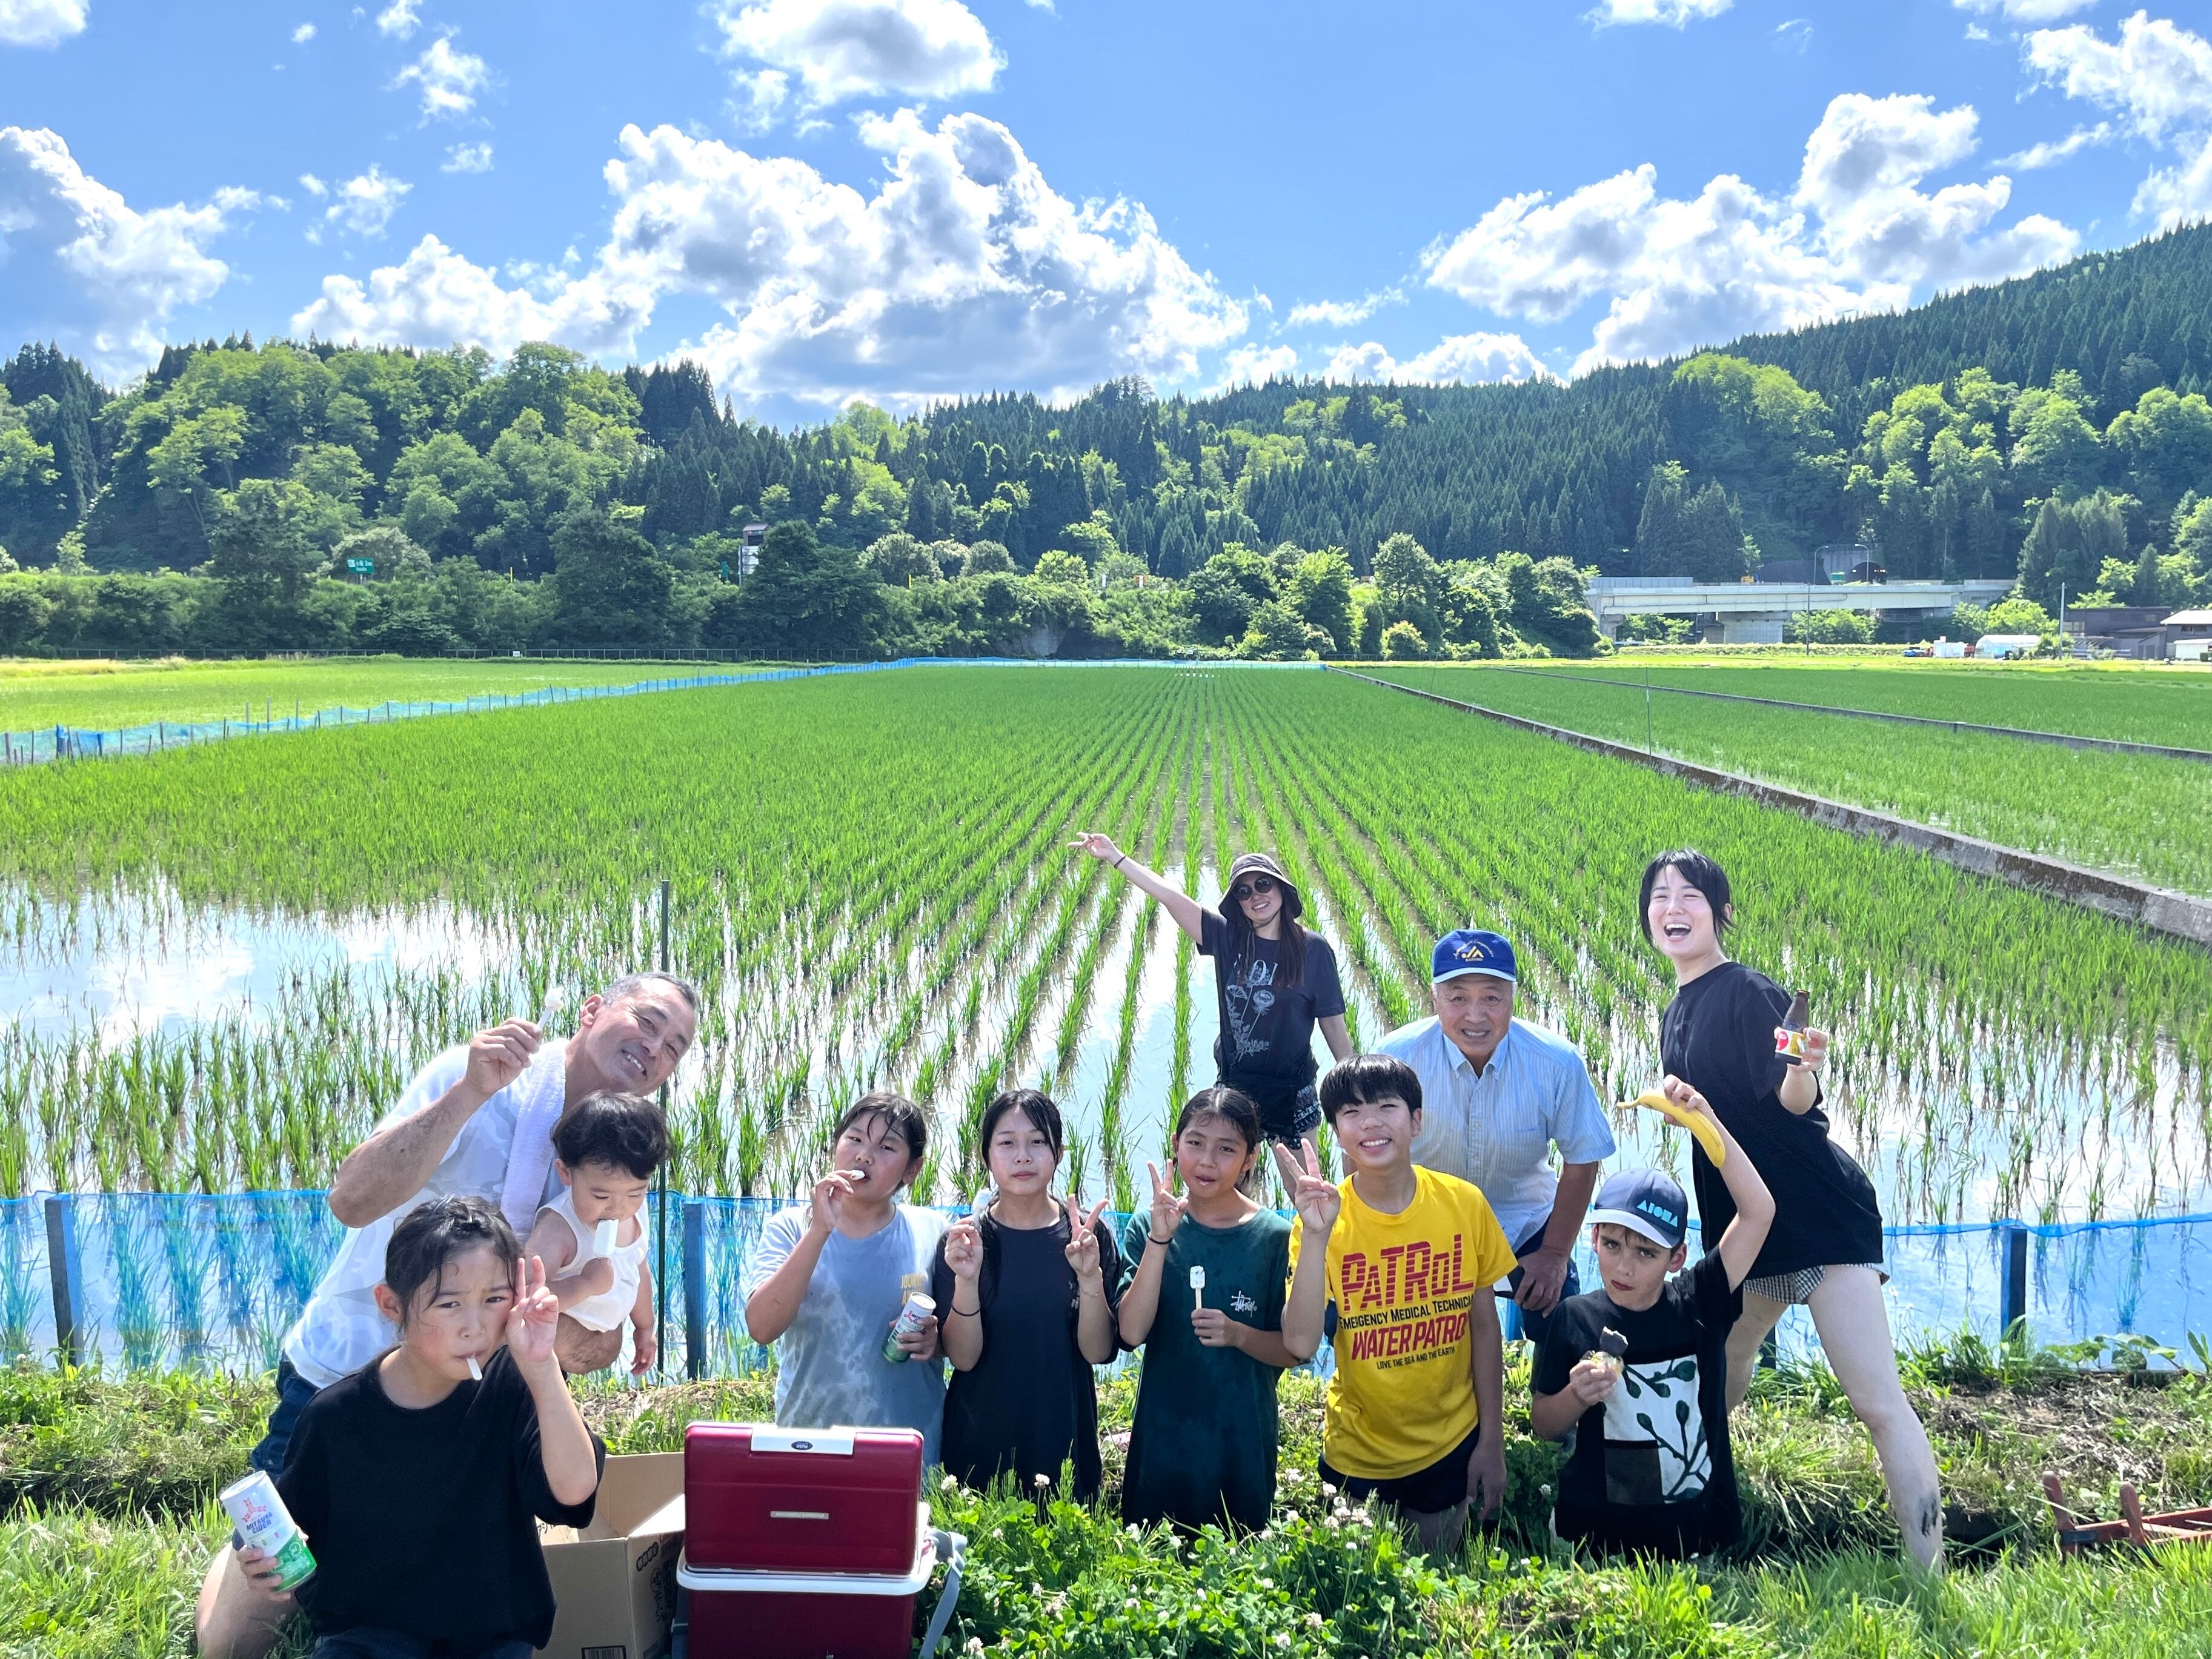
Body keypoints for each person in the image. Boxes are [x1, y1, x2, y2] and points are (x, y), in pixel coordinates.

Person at [198, 972, 697, 1659]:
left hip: (474, 1405)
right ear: (592, 1011)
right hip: (348, 1373)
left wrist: (548, 1335)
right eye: (647, 1021)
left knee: (442, 1594)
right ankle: (238, 1565)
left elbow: (599, 1336)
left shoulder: (614, 1163)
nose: (656, 1048)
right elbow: (350, 1200)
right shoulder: (483, 1082)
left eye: (675, 1046)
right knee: (240, 1640)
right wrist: (469, 1092)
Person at [1641, 847, 1944, 1571]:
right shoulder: (1675, 1011)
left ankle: (1929, 1571)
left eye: (1691, 894)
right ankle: (1691, 1512)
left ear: (1720, 912)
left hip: (1817, 1217)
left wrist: (1803, 1069)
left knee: (1875, 1400)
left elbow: (1794, 1101)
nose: (1674, 907)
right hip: (1749, 1224)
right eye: (1660, 895)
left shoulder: (1747, 991)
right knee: (1721, 1365)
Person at [231, 1195, 604, 1658]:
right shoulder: (335, 1417)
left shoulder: (516, 1385)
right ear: (392, 1304)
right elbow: (291, 1539)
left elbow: (574, 1494)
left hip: (489, 1635)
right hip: (368, 1634)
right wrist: (264, 1565)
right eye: (449, 1304)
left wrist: (543, 1366)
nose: (475, 1327)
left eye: (494, 1300)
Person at [1280, 1054, 1520, 1557]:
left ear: (1416, 1121)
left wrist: (1491, 1441)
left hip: (1450, 1441)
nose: (1369, 1122)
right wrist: (1317, 1234)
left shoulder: (1464, 1204)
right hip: (1358, 1450)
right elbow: (1300, 1344)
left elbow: (1483, 1326)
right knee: (1361, 1588)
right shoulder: (1321, 1220)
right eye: (1351, 1113)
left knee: (1437, 1575)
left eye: (1386, 1107)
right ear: (1336, 1134)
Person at [1529, 1084, 1774, 1558]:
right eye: (1612, 1245)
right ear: (1594, 1239)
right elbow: (1544, 1424)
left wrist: (1706, 1122)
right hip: (1595, 1538)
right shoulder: (1574, 1317)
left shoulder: (1700, 1302)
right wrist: (1576, 1395)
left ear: (1676, 1257)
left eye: (1646, 1253)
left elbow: (1758, 1212)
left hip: (1695, 1535)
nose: (1624, 1267)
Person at [1379, 928, 1614, 1349]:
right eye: (1457, 998)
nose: (1475, 1016)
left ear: (1513, 998)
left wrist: (1555, 1254)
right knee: (1397, 1334)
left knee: (1563, 1331)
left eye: (1491, 997)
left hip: (1525, 1223)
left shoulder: (1556, 1062)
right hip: (1424, 1226)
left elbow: (1582, 1158)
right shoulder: (1395, 1059)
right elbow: (1366, 1152)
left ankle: (1553, 1390)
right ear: (1434, 999)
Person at [1071, 834, 1350, 1153]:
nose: (1256, 896)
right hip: (1236, 1086)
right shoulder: (1227, 937)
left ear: (1281, 889)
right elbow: (1170, 896)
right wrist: (1115, 856)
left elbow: (1332, 1021)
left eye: (1263, 884)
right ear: (1237, 902)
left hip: (1292, 1089)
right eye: (1244, 891)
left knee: (1302, 1179)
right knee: (1227, 1177)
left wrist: (1352, 1084)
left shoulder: (1312, 949)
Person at [1117, 1086, 1297, 1532]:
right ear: (1175, 1144)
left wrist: (1239, 1335)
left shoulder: (1273, 1238)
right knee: (1152, 1560)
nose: (1207, 1161)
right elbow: (1131, 1332)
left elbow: (1294, 1350)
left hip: (1242, 1445)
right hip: (1163, 1441)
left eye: (1226, 1149)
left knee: (1236, 1559)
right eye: (1195, 1143)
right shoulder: (1147, 1226)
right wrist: (1160, 1239)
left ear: (1250, 1158)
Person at [932, 1089, 1123, 1500]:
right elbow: (962, 1358)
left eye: (1037, 1141)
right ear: (986, 1156)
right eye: (1007, 1143)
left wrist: (1089, 1278)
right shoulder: (963, 1242)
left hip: (1064, 1444)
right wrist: (966, 1279)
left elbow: (1097, 1352)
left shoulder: (1087, 1237)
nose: (1023, 1157)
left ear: (1058, 1153)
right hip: (976, 1446)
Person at [741, 1092, 949, 1463]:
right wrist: (819, 1230)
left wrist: (937, 1341)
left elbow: (960, 1339)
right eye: (855, 1139)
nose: (865, 1156)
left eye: (887, 1147)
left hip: (908, 1448)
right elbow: (762, 1327)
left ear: (912, 1170)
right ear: (836, 1146)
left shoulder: (933, 1231)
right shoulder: (790, 1228)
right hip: (811, 1443)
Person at [521, 1090, 669, 1375]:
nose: (618, 1208)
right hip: (546, 1359)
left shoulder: (637, 1214)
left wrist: (645, 1327)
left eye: (635, 1193)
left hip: (603, 1342)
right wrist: (584, 1284)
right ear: (566, 1173)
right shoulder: (558, 1228)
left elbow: (639, 1269)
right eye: (601, 1196)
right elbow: (527, 1298)